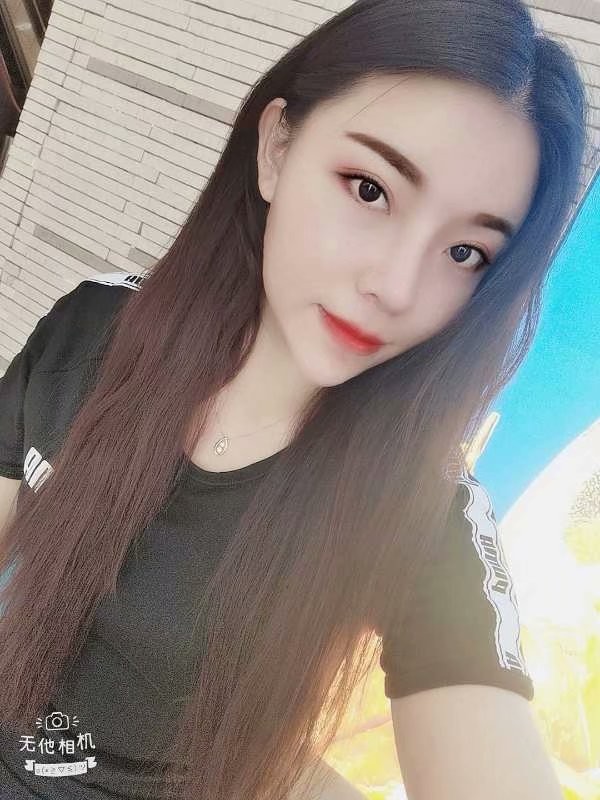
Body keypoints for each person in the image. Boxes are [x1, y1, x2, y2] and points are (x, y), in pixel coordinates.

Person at [0, 0, 591, 798]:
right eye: (370, 189)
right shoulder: (93, 326)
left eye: (464, 252)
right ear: (277, 148)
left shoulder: (418, 507)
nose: (396, 287)